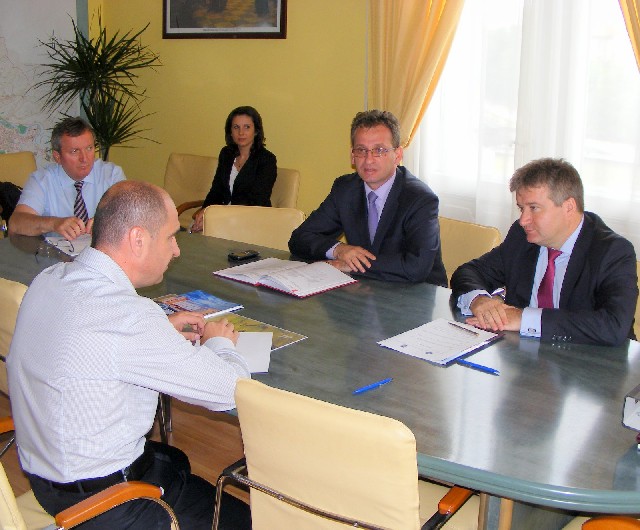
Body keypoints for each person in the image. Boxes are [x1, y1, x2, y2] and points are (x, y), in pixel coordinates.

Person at [7, 181, 251, 529]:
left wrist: (159, 330)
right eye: (170, 237)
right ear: (138, 239)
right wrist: (219, 342)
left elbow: (96, 342)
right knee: (249, 521)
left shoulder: (51, 278)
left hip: (46, 478)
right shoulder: (129, 318)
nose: (176, 250)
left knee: (174, 461)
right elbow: (231, 389)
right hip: (105, 503)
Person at [451, 157, 638, 346]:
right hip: (524, 354)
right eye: (521, 208)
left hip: (592, 360)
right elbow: (470, 272)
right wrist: (479, 300)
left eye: (534, 208)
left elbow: (614, 326)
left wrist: (524, 319)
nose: (523, 220)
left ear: (569, 207)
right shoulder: (522, 236)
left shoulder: (612, 252)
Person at [288, 109, 447, 285]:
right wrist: (339, 250)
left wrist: (352, 265)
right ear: (352, 156)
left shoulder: (420, 199)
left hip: (417, 294)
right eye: (361, 150)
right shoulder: (345, 189)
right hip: (366, 289)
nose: (368, 160)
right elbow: (300, 238)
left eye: (379, 150)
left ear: (397, 155)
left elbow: (416, 267)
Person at [8, 117, 125, 240]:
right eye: (75, 151)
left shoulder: (111, 175)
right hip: (57, 251)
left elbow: (130, 215)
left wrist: (106, 221)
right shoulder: (42, 180)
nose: (84, 158)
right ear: (57, 157)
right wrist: (54, 223)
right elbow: (15, 224)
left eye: (89, 148)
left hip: (101, 249)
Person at [190, 106, 277, 232]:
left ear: (256, 131)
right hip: (221, 217)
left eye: (247, 127)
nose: (241, 133)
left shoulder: (267, 160)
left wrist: (217, 217)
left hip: (250, 222)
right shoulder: (226, 154)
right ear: (230, 131)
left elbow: (256, 201)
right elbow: (216, 191)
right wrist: (205, 211)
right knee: (191, 233)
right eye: (236, 127)